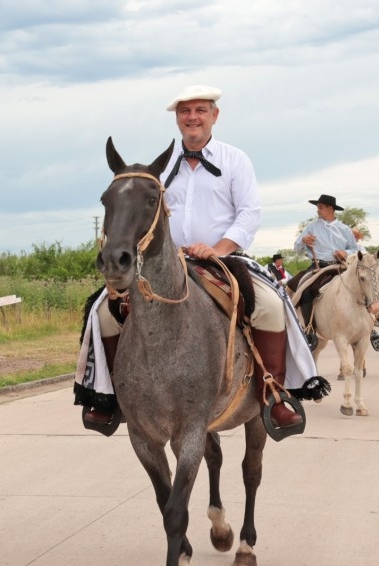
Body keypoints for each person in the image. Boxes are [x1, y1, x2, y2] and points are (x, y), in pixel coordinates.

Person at [76, 85, 328, 439]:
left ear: (214, 116)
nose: (192, 117)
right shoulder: (157, 170)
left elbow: (249, 212)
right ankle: (112, 396)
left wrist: (221, 247)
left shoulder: (235, 160)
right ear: (177, 119)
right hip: (165, 263)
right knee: (102, 312)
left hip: (222, 259)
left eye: (200, 111)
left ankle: (274, 393)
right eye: (185, 112)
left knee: (271, 305)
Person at [288, 194, 358, 334]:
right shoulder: (311, 227)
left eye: (320, 207)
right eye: (317, 207)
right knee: (305, 290)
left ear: (330, 208)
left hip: (342, 267)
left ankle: (370, 325)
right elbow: (297, 249)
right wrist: (303, 241)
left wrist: (345, 253)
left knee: (364, 285)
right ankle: (309, 328)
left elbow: (355, 249)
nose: (317, 211)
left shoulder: (344, 229)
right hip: (318, 267)